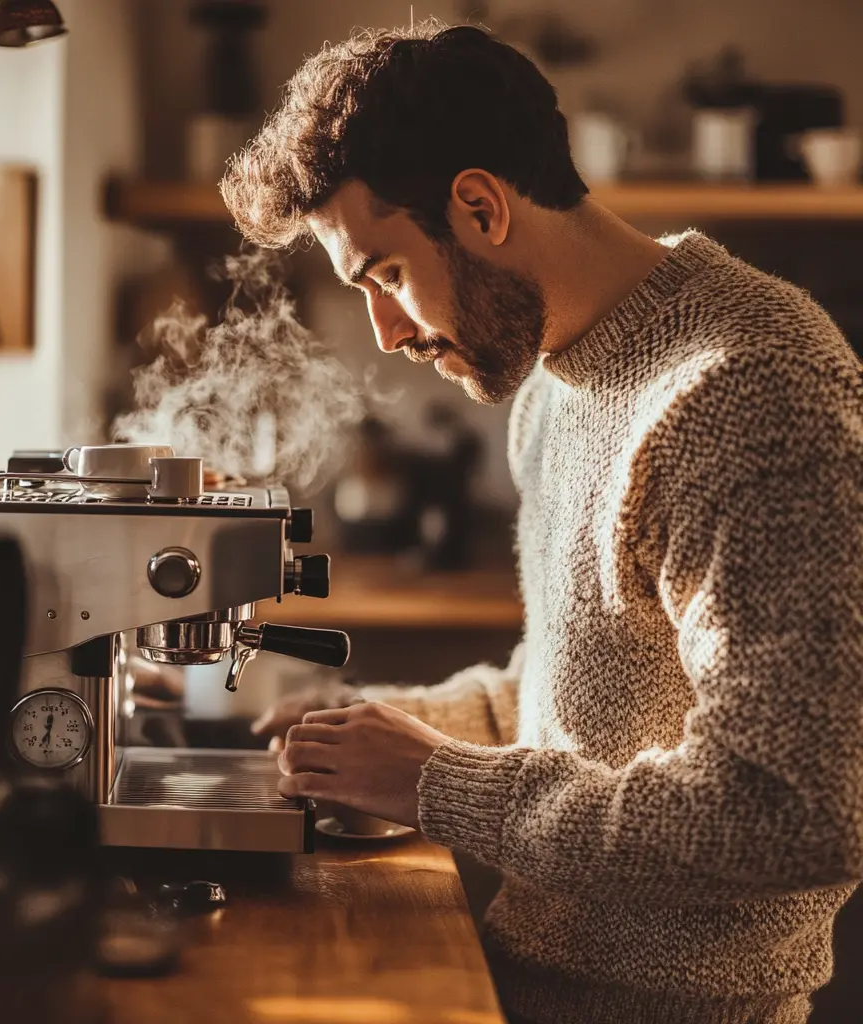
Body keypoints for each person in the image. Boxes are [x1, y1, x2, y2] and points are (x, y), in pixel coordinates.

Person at [220, 20, 863, 1024]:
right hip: (531, 988)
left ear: (478, 205)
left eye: (385, 274)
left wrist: (438, 783)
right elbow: (580, 695)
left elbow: (791, 811)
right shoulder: (553, 388)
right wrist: (383, 734)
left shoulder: (748, 390)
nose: (387, 337)